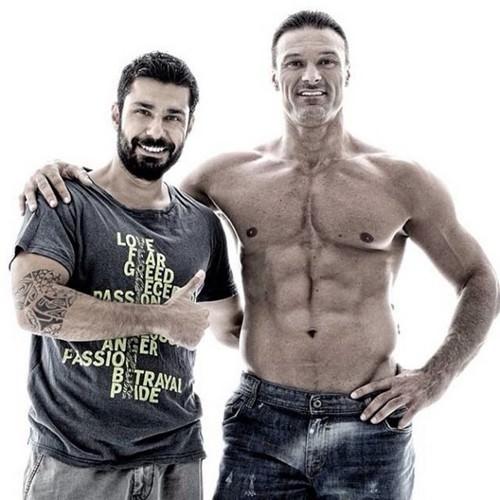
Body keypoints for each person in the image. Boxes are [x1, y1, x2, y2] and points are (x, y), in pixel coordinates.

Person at [19, 11, 499, 500]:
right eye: (294, 63)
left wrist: (436, 378)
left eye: (326, 61)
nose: (311, 76)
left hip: (368, 421)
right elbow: (142, 196)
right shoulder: (227, 177)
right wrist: (67, 176)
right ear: (274, 77)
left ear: (348, 72)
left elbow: (479, 277)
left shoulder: (402, 180)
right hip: (262, 422)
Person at [11, 51, 241, 500]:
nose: (156, 131)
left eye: (173, 117)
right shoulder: (64, 201)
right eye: (143, 111)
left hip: (177, 462)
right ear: (117, 114)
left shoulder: (203, 225)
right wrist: (159, 319)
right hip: (78, 465)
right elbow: (32, 307)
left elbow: (232, 329)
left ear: (189, 126)